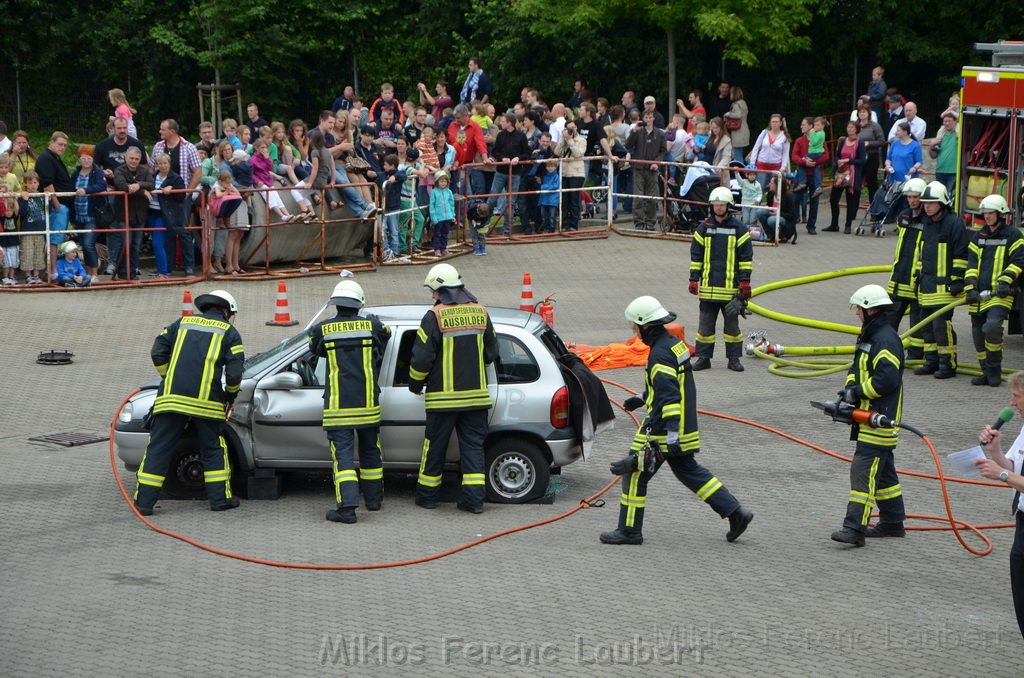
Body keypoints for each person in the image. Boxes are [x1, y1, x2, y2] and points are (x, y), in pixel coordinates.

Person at [600, 295, 753, 545]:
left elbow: (670, 396)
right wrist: (642, 397)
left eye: (634, 327)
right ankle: (736, 513)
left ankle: (629, 530)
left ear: (645, 325)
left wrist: (671, 434)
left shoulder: (659, 354)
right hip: (682, 424)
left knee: (636, 472)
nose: (634, 332)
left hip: (664, 427)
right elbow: (672, 384)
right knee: (689, 472)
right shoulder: (673, 344)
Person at [133, 290, 244, 516]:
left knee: (159, 448)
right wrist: (230, 396)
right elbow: (234, 374)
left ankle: (144, 503)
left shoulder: (181, 323)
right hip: (207, 403)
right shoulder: (229, 332)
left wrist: (169, 377)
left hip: (171, 399)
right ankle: (219, 500)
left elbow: (157, 353)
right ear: (226, 310)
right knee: (212, 448)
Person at [410, 263, 498, 514]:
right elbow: (491, 352)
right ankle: (473, 501)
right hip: (476, 399)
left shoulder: (434, 316)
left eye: (434, 291)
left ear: (442, 290)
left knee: (434, 447)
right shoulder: (481, 313)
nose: (432, 296)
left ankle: (427, 496)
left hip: (443, 401)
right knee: (472, 448)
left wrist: (415, 385)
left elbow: (421, 359)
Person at [306, 280, 391, 523]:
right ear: (359, 303)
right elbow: (386, 334)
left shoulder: (323, 329)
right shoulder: (372, 325)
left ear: (336, 304)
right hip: (367, 405)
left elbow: (316, 350)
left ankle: (347, 509)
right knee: (370, 453)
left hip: (338, 407)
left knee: (343, 459)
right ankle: (373, 501)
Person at [830, 284, 906, 547]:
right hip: (868, 415)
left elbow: (887, 380)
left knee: (863, 470)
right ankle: (893, 523)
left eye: (859, 309)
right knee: (883, 472)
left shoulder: (885, 339)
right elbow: (857, 366)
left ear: (870, 308)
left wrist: (859, 391)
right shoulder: (870, 335)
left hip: (880, 418)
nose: (856, 314)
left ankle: (854, 529)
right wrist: (850, 388)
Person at [976, 371, 1024, 639]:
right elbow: (1015, 467)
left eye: (1017, 397)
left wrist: (1002, 474)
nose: (1012, 404)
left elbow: (1010, 475)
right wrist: (995, 453)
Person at [690, 187, 753, 371]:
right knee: (705, 329)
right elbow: (696, 257)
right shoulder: (704, 229)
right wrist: (693, 279)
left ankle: (734, 359)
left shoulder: (739, 229)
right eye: (715, 204)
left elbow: (746, 259)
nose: (718, 207)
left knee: (732, 329)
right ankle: (704, 358)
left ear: (728, 205)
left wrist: (745, 283)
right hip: (708, 290)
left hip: (731, 291)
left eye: (721, 204)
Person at [964, 194, 1024, 386]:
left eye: (991, 213)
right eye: (985, 213)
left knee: (991, 327)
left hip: (1000, 294)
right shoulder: (978, 237)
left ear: (1001, 214)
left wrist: (1005, 282)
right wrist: (970, 288)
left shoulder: (1013, 235)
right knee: (977, 333)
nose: (987, 216)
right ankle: (986, 371)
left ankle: (995, 369)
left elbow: (1018, 261)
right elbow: (971, 265)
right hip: (979, 295)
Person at [914, 181, 969, 379]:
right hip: (927, 287)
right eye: (925, 203)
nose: (927, 206)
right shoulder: (927, 223)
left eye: (931, 203)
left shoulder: (953, 224)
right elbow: (923, 254)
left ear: (942, 203)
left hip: (945, 288)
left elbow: (961, 254)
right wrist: (917, 278)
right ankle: (931, 361)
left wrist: (957, 280)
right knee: (926, 326)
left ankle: (948, 364)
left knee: (941, 326)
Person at [885, 178, 928, 361]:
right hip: (898, 279)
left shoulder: (929, 221)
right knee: (888, 321)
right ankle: (887, 352)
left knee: (916, 324)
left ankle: (916, 356)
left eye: (916, 197)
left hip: (916, 281)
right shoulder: (903, 216)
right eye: (909, 197)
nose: (912, 200)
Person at [485, 113, 530, 236]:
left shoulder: (521, 136)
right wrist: (502, 158)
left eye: (503, 121)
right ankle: (484, 226)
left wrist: (518, 158)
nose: (501, 123)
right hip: (501, 171)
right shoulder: (500, 135)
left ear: (509, 122)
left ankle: (507, 230)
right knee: (492, 199)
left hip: (515, 173)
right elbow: (495, 152)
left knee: (511, 202)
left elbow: (527, 153)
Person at [623, 110, 666, 232]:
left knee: (652, 197)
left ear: (654, 118)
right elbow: (628, 145)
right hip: (639, 168)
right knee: (638, 197)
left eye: (650, 117)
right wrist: (634, 131)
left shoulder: (659, 134)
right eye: (646, 117)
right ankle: (638, 222)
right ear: (642, 118)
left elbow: (663, 151)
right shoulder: (638, 131)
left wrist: (656, 163)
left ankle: (650, 222)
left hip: (652, 169)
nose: (648, 119)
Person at [824, 121, 867, 234]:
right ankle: (834, 224)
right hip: (841, 173)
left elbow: (862, 161)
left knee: (850, 200)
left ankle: (848, 224)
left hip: (852, 174)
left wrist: (849, 160)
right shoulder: (843, 141)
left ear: (856, 129)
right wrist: (838, 162)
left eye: (852, 127)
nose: (850, 129)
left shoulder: (860, 143)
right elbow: (837, 154)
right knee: (833, 199)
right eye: (848, 127)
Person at [70, 148, 107, 278]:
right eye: (83, 158)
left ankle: (94, 273)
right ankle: (88, 271)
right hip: (78, 215)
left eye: (89, 158)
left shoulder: (97, 172)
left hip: (92, 215)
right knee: (83, 245)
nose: (86, 161)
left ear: (93, 159)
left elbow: (102, 185)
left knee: (88, 243)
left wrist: (86, 190)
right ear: (79, 159)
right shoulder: (75, 173)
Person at [553, 119, 587, 231]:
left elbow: (578, 154)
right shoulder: (563, 139)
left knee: (573, 199)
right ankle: (564, 224)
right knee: (564, 200)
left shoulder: (581, 140)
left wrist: (570, 140)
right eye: (569, 128)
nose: (572, 130)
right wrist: (563, 140)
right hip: (564, 172)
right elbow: (557, 153)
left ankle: (573, 225)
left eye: (574, 127)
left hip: (577, 173)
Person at [748, 114, 790, 191]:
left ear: (780, 123)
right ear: (770, 123)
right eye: (773, 122)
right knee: (759, 189)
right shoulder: (764, 133)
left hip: (776, 167)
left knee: (775, 190)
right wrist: (752, 164)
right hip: (761, 165)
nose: (774, 124)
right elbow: (756, 148)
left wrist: (783, 167)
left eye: (776, 122)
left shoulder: (784, 136)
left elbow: (785, 153)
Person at [931, 112, 958, 196]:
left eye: (949, 121)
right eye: (945, 121)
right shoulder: (940, 136)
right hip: (940, 171)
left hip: (953, 171)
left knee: (948, 194)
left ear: (955, 122)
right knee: (940, 195)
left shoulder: (958, 135)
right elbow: (933, 156)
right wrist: (932, 145)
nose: (947, 123)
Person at [429, 170, 455, 257]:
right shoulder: (434, 192)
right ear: (437, 182)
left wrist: (452, 215)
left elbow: (451, 204)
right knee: (437, 234)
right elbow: (432, 206)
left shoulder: (449, 192)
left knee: (445, 234)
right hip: (438, 218)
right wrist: (434, 218)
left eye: (445, 181)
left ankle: (443, 248)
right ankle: (437, 249)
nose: (443, 183)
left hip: (447, 217)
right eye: (441, 181)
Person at [724, 86, 750, 164]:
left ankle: (740, 173)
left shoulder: (736, 104)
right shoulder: (743, 103)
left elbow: (738, 115)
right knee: (740, 153)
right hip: (744, 131)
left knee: (737, 155)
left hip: (738, 132)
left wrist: (728, 114)